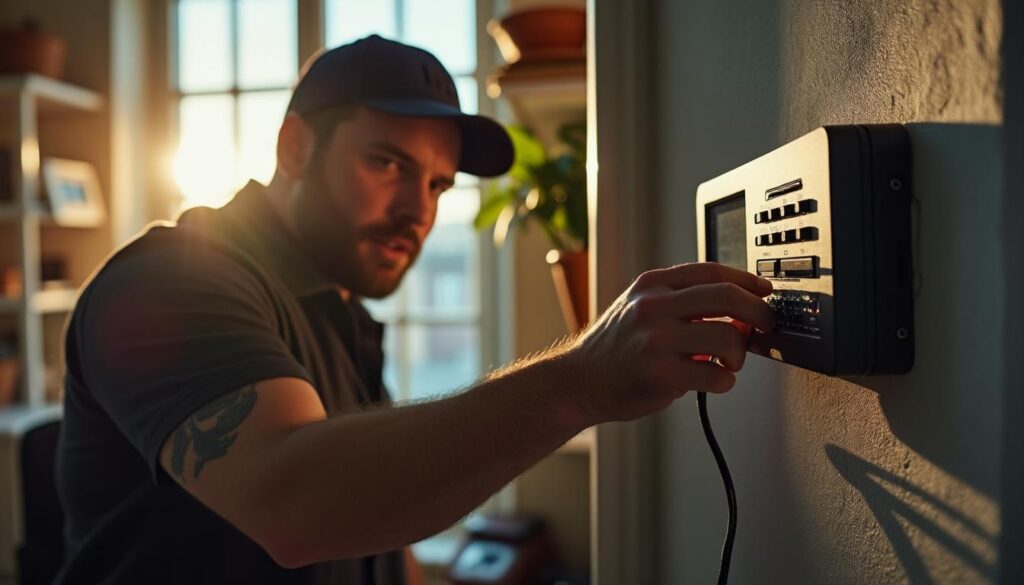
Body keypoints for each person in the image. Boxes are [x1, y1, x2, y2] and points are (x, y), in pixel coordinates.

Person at [54, 35, 775, 584]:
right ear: (295, 147)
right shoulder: (173, 281)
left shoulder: (339, 305)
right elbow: (296, 504)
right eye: (388, 163)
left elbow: (378, 535)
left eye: (436, 184)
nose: (417, 210)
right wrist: (581, 379)